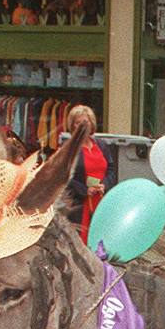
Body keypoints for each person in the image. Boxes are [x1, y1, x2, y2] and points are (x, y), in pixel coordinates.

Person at [64, 104, 116, 244]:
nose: (82, 126)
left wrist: (104, 184)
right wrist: (85, 190)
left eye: (85, 122)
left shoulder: (101, 145)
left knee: (104, 241)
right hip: (81, 204)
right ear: (72, 126)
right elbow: (65, 177)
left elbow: (111, 169)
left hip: (102, 200)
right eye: (77, 123)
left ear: (91, 124)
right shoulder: (69, 148)